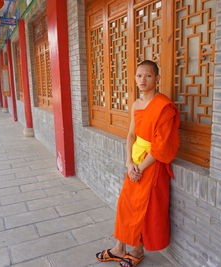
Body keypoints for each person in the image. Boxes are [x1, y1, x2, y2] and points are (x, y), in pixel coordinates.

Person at [96, 60, 180, 267]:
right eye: (139, 75)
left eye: (148, 76)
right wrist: (128, 163)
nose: (143, 80)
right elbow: (131, 135)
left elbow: (162, 146)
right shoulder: (136, 104)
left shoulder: (164, 107)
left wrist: (140, 168)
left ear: (157, 79)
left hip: (152, 163)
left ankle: (137, 250)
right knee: (126, 204)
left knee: (144, 208)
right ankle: (119, 248)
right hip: (134, 162)